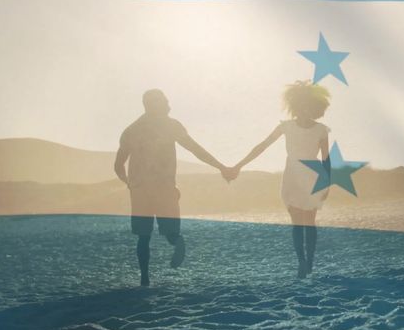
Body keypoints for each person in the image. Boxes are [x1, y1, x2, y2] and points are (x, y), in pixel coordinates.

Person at [115, 89, 234, 287]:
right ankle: (175, 245)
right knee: (168, 233)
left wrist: (128, 182)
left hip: (141, 190)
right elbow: (196, 150)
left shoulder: (132, 130)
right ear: (153, 104)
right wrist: (221, 166)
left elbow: (118, 165)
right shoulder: (170, 126)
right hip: (163, 188)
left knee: (143, 237)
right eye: (164, 101)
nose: (169, 105)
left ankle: (145, 278)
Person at [230, 81, 331, 279]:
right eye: (301, 105)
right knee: (296, 222)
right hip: (292, 175)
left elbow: (327, 159)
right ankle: (301, 261)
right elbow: (262, 146)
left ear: (315, 107)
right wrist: (239, 165)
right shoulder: (286, 127)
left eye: (308, 105)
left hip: (313, 176)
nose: (304, 109)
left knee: (309, 221)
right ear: (295, 105)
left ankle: (309, 259)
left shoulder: (321, 130)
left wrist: (327, 183)